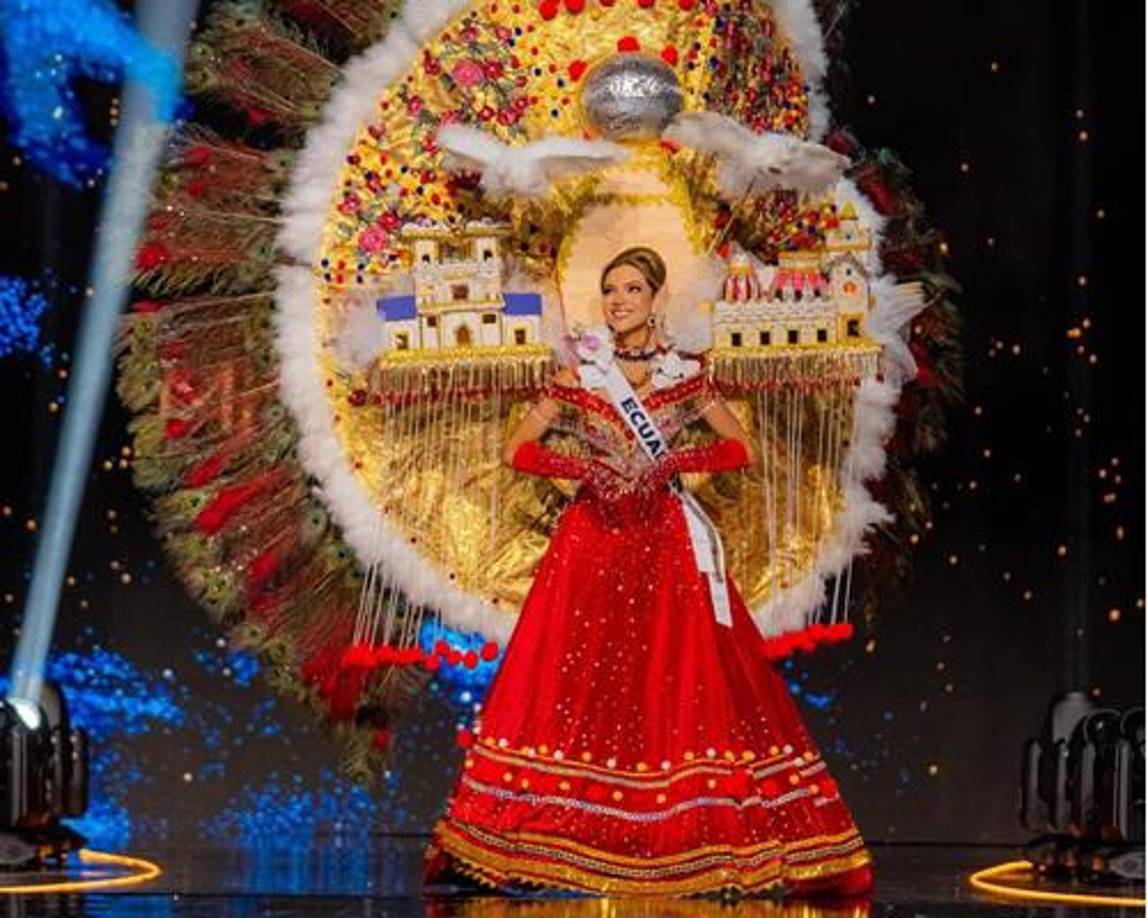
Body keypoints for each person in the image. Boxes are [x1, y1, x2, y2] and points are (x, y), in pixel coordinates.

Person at [425, 247, 874, 898]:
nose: (619, 300)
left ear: (655, 297)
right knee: (577, 678)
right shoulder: (580, 374)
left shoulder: (685, 376)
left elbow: (737, 449)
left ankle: (683, 841)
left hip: (663, 542)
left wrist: (675, 462)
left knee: (671, 678)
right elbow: (515, 449)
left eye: (632, 288)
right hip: (591, 543)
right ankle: (539, 839)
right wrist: (580, 468)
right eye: (610, 290)